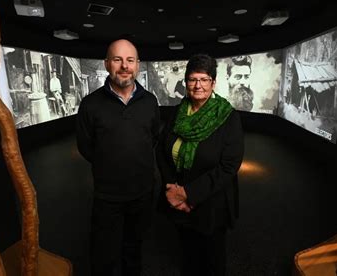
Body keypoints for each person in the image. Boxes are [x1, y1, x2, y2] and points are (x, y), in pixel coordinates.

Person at [76, 39, 160, 276]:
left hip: (143, 192)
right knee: (103, 254)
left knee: (134, 248)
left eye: (130, 60)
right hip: (107, 195)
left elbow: (153, 137)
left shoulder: (150, 101)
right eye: (117, 59)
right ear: (106, 64)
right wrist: (109, 163)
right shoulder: (90, 104)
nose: (124, 66)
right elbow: (85, 146)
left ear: (138, 65)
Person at [156, 54, 244, 276]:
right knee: (188, 255)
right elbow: (162, 150)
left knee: (212, 261)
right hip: (178, 200)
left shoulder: (228, 117)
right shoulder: (178, 112)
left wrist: (188, 194)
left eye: (204, 79)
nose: (198, 85)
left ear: (213, 83)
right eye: (193, 79)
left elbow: (228, 166)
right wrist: (171, 188)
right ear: (186, 82)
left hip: (211, 203)